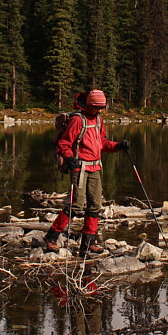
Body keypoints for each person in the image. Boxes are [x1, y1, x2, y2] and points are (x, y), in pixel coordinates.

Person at [43, 89, 129, 256]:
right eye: (97, 107)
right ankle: (51, 237)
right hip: (80, 168)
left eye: (102, 107)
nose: (99, 110)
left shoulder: (98, 120)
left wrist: (118, 146)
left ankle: (88, 242)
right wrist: (69, 158)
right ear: (89, 105)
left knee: (95, 206)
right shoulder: (77, 120)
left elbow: (102, 143)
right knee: (76, 205)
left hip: (95, 167)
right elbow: (64, 144)